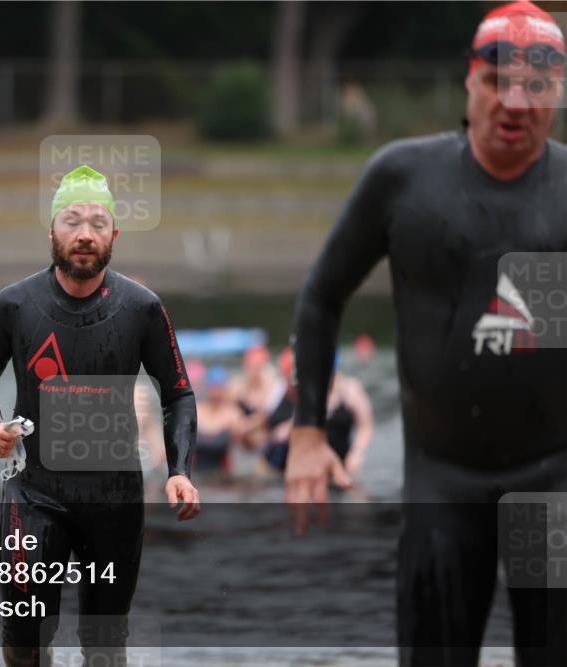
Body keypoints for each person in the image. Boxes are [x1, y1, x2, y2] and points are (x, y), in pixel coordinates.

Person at [285, 3, 566, 665]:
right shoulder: (403, 179)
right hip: (443, 479)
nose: (514, 102)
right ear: (469, 82)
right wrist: (306, 429)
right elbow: (322, 296)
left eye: (536, 87)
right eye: (497, 81)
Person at [0, 165, 200, 667]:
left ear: (114, 234)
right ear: (52, 232)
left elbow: (177, 392)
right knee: (24, 634)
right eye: (72, 221)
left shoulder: (142, 308)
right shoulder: (14, 305)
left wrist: (180, 471)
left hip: (115, 499)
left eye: (96, 222)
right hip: (34, 493)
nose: (84, 234)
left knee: (106, 646)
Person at [262, 351, 374, 476]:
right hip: (308, 463)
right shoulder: (307, 387)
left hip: (341, 462)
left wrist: (357, 453)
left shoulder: (349, 390)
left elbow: (366, 425)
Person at [228, 345, 287, 450]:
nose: (254, 370)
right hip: (243, 439)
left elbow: (267, 416)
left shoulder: (273, 385)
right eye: (251, 366)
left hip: (264, 439)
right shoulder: (237, 386)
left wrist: (248, 425)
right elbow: (230, 412)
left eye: (258, 366)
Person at [193, 366, 239, 479]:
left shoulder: (232, 413)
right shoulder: (196, 411)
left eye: (219, 387)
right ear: (207, 388)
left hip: (223, 476)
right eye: (213, 387)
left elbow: (249, 443)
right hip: (196, 475)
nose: (216, 392)